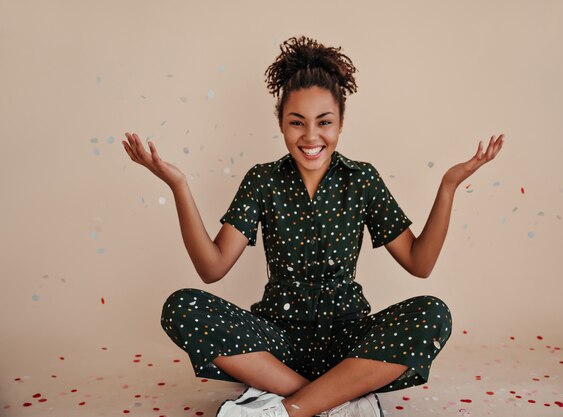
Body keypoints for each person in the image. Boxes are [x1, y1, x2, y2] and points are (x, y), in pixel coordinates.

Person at [122, 35, 504, 417]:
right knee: (182, 306)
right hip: (277, 343)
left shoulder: (362, 179)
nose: (310, 137)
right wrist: (178, 185)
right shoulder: (263, 180)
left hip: (347, 340)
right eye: (296, 123)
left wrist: (449, 185)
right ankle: (336, 398)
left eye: (324, 122)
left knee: (432, 314)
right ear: (281, 124)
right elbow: (212, 268)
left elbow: (420, 264)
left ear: (340, 123)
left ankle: (287, 409)